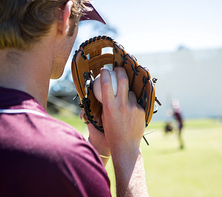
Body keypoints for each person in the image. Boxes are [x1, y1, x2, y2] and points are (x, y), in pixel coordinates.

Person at [0, 0, 148, 196]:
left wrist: (97, 150)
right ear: (65, 17)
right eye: (79, 20)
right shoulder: (60, 157)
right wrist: (129, 152)